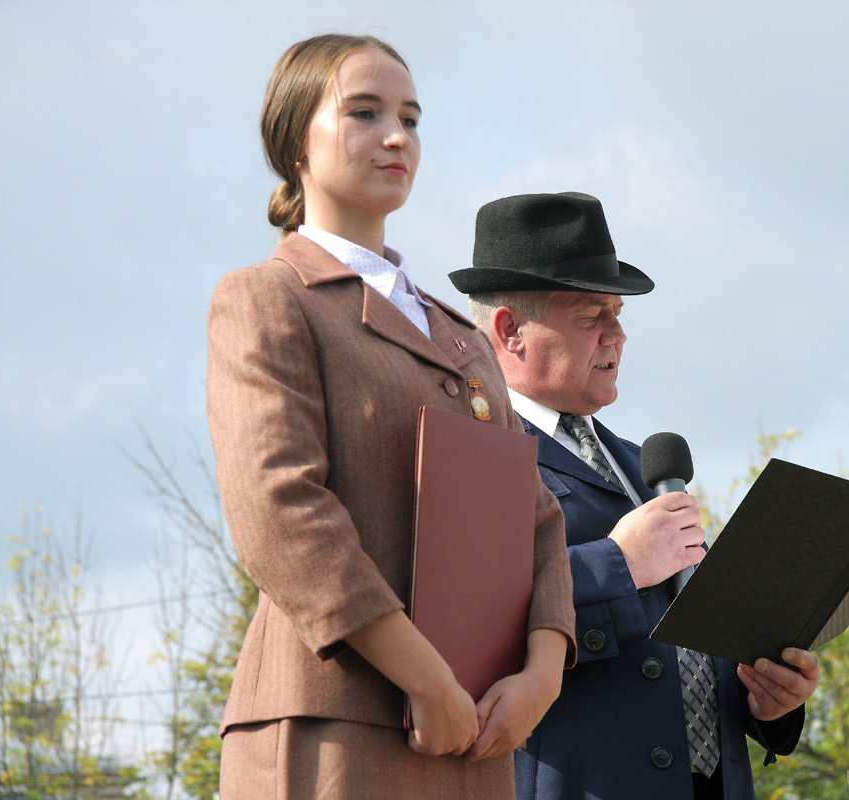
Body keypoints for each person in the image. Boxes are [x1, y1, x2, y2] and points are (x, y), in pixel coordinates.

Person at [205, 36, 575, 799]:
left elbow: (534, 519)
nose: (398, 135)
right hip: (334, 728)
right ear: (294, 142)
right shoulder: (268, 298)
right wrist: (424, 676)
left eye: (411, 116)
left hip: (475, 737)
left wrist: (541, 675)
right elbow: (281, 509)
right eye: (364, 112)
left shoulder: (462, 338)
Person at [450, 192, 821, 800]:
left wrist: (765, 696)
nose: (617, 335)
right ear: (510, 329)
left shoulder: (639, 463)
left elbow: (684, 641)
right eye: (591, 316)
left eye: (618, 314)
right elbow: (466, 616)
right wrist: (618, 564)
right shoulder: (471, 449)